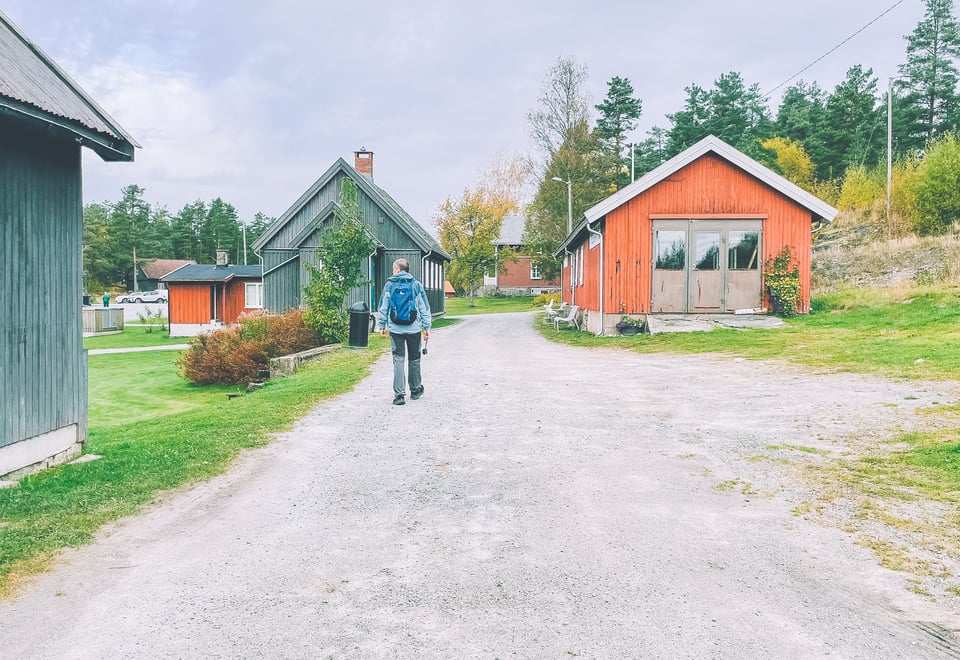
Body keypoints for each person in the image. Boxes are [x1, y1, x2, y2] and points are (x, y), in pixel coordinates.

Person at [377, 258, 431, 405]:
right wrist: (426, 327)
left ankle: (399, 395)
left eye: (393, 269)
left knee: (398, 360)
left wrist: (382, 326)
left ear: (397, 269)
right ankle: (415, 390)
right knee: (414, 359)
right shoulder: (416, 285)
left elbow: (383, 307)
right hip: (414, 329)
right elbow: (424, 308)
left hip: (395, 330)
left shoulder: (389, 285)